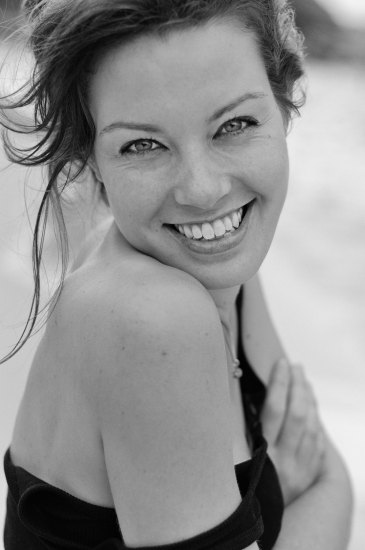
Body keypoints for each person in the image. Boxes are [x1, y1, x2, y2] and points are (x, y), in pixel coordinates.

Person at [1, 1, 353, 549]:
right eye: (143, 145)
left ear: (285, 109)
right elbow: (327, 483)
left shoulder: (210, 261)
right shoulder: (151, 315)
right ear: (93, 162)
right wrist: (306, 491)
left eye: (235, 124)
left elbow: (335, 478)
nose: (203, 191)